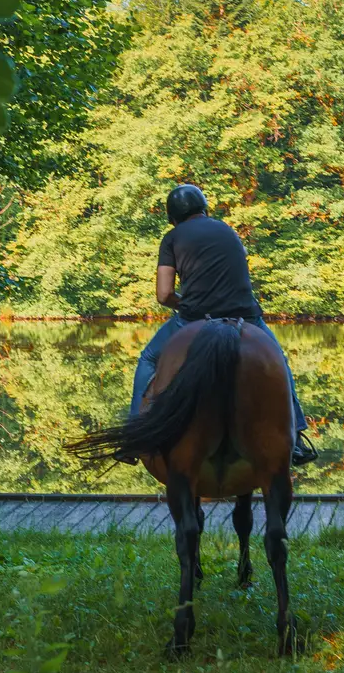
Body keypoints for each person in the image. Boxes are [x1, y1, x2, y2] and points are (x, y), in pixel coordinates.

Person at [132, 184, 319, 465]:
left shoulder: (172, 238)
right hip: (246, 316)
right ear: (204, 208)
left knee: (148, 358)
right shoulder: (227, 230)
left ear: (173, 217)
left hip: (196, 317)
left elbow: (164, 294)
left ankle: (136, 437)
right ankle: (296, 436)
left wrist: (186, 304)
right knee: (278, 360)